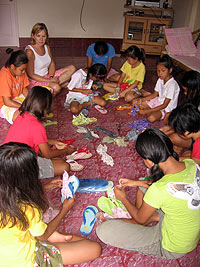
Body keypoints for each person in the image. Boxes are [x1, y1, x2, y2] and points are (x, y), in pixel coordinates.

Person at [96, 128, 200, 259]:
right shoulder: (190, 164)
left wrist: (123, 198)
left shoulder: (158, 189)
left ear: (149, 160)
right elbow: (167, 185)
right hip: (187, 232)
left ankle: (149, 217)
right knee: (142, 185)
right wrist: (134, 183)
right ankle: (154, 216)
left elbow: (140, 219)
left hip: (172, 246)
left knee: (103, 230)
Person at [0, 142, 101, 266]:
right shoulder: (28, 209)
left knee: (59, 237)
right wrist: (65, 209)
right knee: (94, 248)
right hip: (25, 261)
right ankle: (54, 241)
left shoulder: (12, 200)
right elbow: (43, 236)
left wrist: (46, 187)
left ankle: (54, 238)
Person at [4, 86, 74, 179]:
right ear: (45, 109)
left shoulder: (20, 115)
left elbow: (32, 138)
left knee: (55, 159)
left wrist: (54, 142)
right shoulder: (37, 126)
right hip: (20, 169)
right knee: (64, 166)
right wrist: (66, 150)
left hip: (6, 162)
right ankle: (28, 177)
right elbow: (47, 154)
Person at [25, 22, 75, 95]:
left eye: (44, 36)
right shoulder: (29, 51)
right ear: (33, 36)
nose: (41, 39)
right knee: (56, 88)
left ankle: (50, 88)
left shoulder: (46, 47)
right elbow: (31, 75)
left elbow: (51, 63)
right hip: (35, 80)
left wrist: (51, 77)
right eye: (38, 36)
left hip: (47, 76)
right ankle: (54, 88)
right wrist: (49, 80)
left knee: (72, 68)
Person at [160, 71, 200, 150]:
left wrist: (170, 131)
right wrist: (171, 128)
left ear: (194, 90)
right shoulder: (194, 97)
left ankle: (184, 147)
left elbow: (190, 127)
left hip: (194, 134)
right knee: (168, 116)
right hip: (188, 128)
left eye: (186, 90)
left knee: (172, 138)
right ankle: (180, 145)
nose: (185, 93)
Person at [134, 54, 180, 124]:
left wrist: (146, 111)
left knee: (151, 118)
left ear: (170, 70)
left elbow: (165, 105)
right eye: (158, 71)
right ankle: (152, 110)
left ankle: (152, 111)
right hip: (158, 101)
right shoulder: (160, 79)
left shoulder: (172, 85)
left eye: (163, 70)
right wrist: (141, 99)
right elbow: (155, 94)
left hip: (166, 108)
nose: (160, 73)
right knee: (135, 102)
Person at [0, 48, 29, 124]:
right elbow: (7, 102)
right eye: (21, 70)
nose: (24, 72)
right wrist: (23, 107)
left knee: (37, 100)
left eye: (24, 69)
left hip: (18, 97)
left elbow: (24, 88)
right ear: (12, 67)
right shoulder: (4, 75)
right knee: (19, 116)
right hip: (4, 104)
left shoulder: (20, 72)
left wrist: (30, 99)